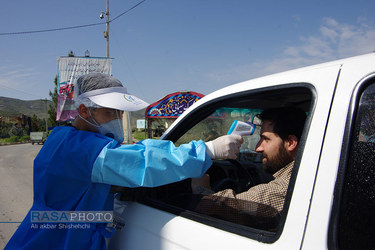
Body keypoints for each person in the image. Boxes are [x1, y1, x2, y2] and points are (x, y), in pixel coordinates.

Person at [5, 73, 243, 250]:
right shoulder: (84, 150)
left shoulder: (63, 137)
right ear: (85, 111)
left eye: (120, 113)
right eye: (111, 112)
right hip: (56, 240)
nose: (117, 119)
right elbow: (143, 162)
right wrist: (207, 150)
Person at [192, 107, 306, 213]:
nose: (257, 148)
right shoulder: (304, 173)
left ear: (290, 143)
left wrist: (200, 188)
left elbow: (221, 206)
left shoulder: (286, 187)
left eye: (266, 139)